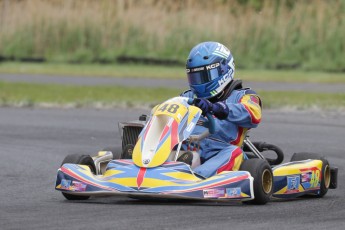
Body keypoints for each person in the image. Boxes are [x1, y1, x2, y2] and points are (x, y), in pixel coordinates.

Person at [180, 41, 262, 178]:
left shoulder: (243, 96)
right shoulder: (186, 97)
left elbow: (253, 115)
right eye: (195, 77)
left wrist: (217, 108)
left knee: (234, 153)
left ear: (224, 70)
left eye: (205, 77)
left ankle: (197, 179)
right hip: (188, 149)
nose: (199, 82)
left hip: (221, 152)